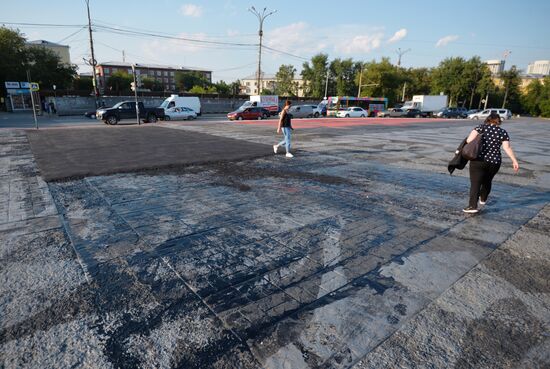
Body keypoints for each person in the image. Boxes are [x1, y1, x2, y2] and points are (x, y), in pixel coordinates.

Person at [463, 112, 519, 213]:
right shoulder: (503, 132)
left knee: (475, 183)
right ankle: (483, 198)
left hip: (478, 160)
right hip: (495, 162)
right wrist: (514, 161)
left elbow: (469, 140)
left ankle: (472, 206)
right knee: (488, 180)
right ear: (499, 121)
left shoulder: (481, 128)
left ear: (488, 119)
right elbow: (507, 147)